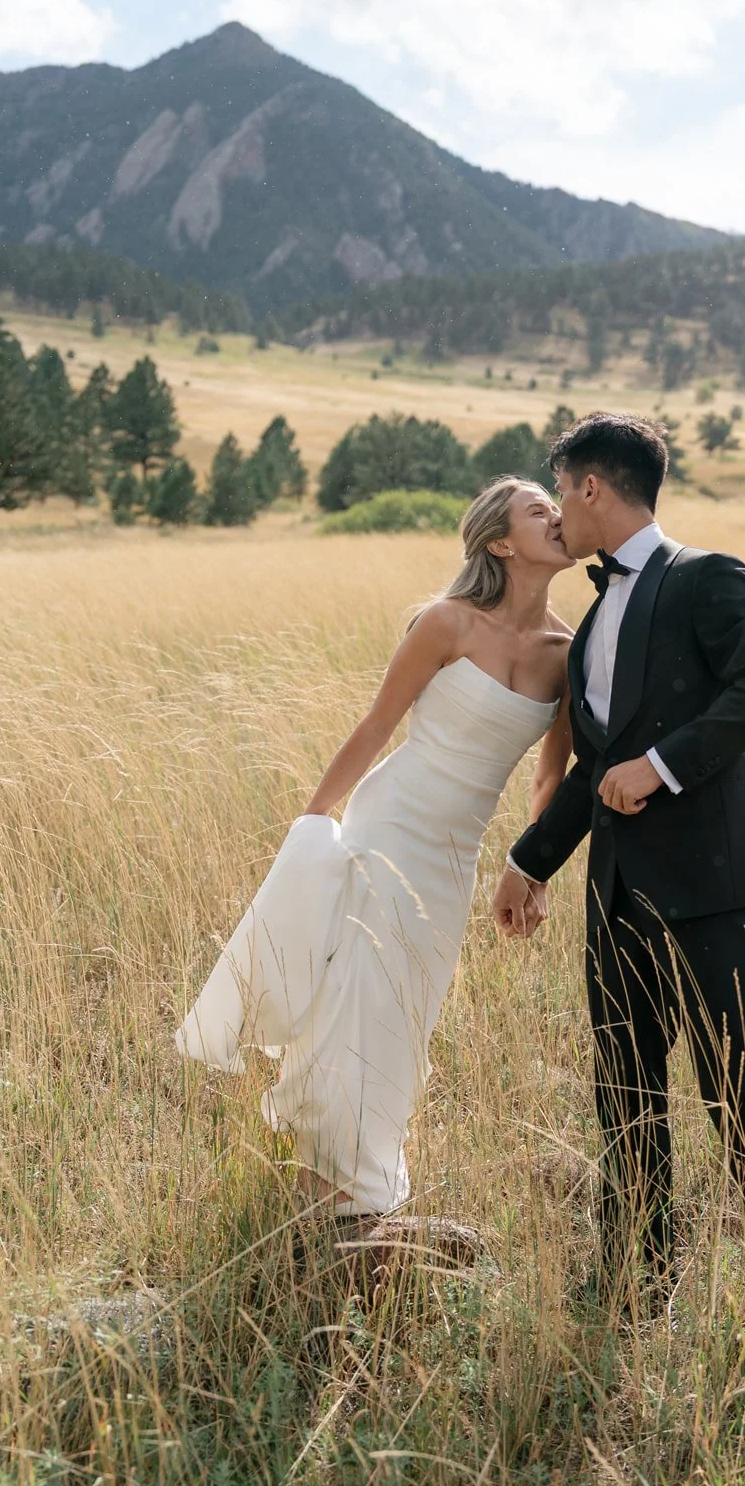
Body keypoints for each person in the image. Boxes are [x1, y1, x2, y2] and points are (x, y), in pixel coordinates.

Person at [493, 412, 745, 1329]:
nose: (559, 508)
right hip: (614, 899)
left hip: (711, 892)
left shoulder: (706, 576)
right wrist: (530, 860)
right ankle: (638, 1288)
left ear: (592, 486)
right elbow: (598, 768)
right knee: (625, 1097)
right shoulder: (596, 616)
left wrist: (664, 763)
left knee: (739, 1089)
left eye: (562, 490)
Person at [175, 477, 575, 1218]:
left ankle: (347, 1166)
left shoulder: (567, 652)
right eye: (537, 511)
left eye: (557, 509)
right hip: (388, 823)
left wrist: (536, 872)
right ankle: (340, 1188)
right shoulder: (446, 622)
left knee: (406, 1009)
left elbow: (551, 773)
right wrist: (310, 825)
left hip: (455, 853)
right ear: (498, 541)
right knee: (359, 994)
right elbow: (375, 726)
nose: (556, 516)